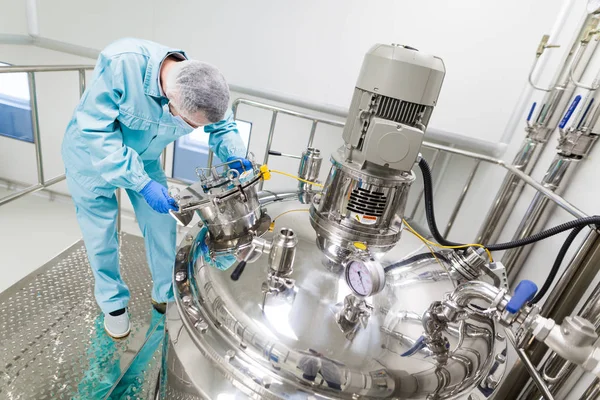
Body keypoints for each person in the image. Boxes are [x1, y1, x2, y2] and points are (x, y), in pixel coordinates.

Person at [62, 38, 249, 339]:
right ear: (170, 100)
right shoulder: (121, 63)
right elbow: (97, 132)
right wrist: (141, 183)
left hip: (144, 160)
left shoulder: (202, 87)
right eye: (190, 124)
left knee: (162, 223)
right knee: (101, 236)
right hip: (89, 159)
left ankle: (165, 293)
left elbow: (223, 126)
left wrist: (235, 154)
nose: (195, 129)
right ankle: (113, 304)